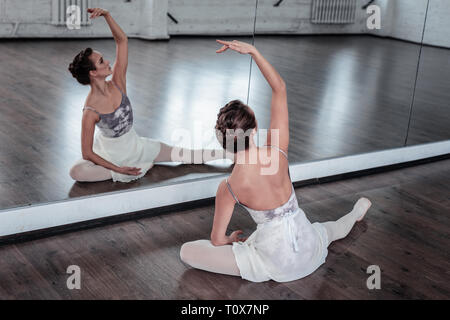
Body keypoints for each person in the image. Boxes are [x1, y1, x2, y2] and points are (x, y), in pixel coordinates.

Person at [179, 40, 372, 282]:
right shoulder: (277, 150)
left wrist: (230, 241)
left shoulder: (229, 187)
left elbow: (217, 240)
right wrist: (254, 52)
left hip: (275, 261)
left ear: (223, 142)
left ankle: (256, 251)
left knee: (187, 251)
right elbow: (279, 87)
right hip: (308, 246)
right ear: (255, 128)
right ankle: (356, 212)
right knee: (332, 230)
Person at [68, 8, 228, 183]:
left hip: (137, 146)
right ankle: (129, 170)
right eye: (101, 61)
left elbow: (122, 41)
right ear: (93, 73)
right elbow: (87, 153)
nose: (107, 62)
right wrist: (117, 169)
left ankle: (230, 154)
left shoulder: (117, 81)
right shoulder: (90, 111)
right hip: (110, 154)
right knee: (77, 172)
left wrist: (107, 15)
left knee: (186, 155)